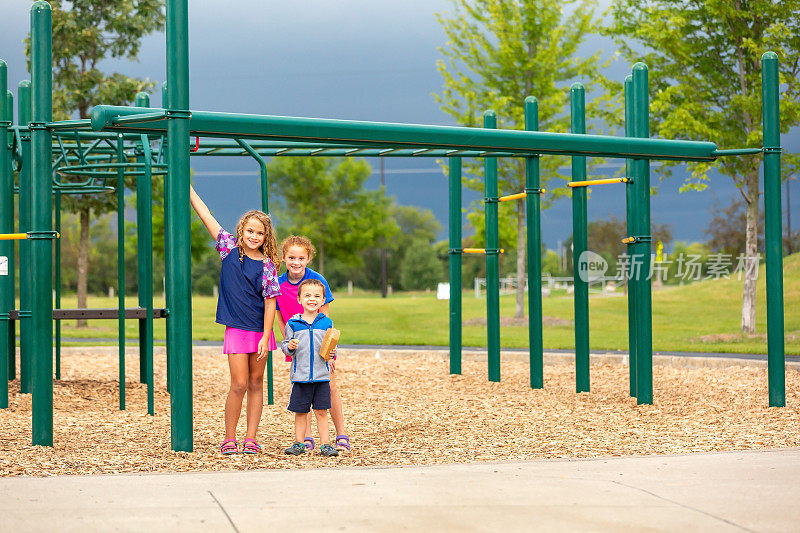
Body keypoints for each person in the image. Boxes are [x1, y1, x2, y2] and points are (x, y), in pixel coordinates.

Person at [189, 185, 281, 455]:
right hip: (237, 330)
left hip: (260, 332)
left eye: (260, 233)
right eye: (250, 231)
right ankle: (230, 437)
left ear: (266, 237)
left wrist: (266, 336)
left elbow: (270, 302)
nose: (254, 236)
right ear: (241, 230)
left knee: (256, 383)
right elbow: (205, 214)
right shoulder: (228, 248)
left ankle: (251, 438)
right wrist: (189, 188)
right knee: (239, 384)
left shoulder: (267, 265)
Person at [276, 236, 350, 452]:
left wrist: (329, 353)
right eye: (291, 257)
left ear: (308, 258)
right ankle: (306, 438)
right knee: (303, 389)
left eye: (301, 257)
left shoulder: (317, 280)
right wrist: (290, 344)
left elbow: (326, 320)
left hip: (320, 346)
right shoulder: (279, 283)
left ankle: (340, 433)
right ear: (284, 258)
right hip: (298, 341)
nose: (296, 262)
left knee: (329, 386)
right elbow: (281, 317)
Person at [281, 278, 338, 457]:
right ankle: (299, 443)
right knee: (300, 412)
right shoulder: (293, 324)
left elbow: (332, 347)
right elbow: (284, 345)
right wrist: (289, 347)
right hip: (301, 377)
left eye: (316, 296)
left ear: (322, 301)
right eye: (307, 295)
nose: (312, 299)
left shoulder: (326, 323)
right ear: (299, 300)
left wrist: (333, 354)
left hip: (321, 376)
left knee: (321, 411)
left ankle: (326, 444)